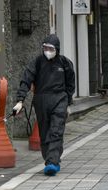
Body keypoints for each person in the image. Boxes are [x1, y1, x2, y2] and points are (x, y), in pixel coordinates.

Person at [13, 34, 75, 176]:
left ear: (57, 49)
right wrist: (20, 100)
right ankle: (49, 159)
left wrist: (68, 102)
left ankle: (52, 162)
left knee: (56, 130)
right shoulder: (37, 62)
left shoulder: (65, 63)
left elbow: (71, 83)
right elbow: (26, 79)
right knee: (44, 132)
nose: (47, 50)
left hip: (59, 99)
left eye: (50, 48)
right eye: (45, 47)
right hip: (41, 100)